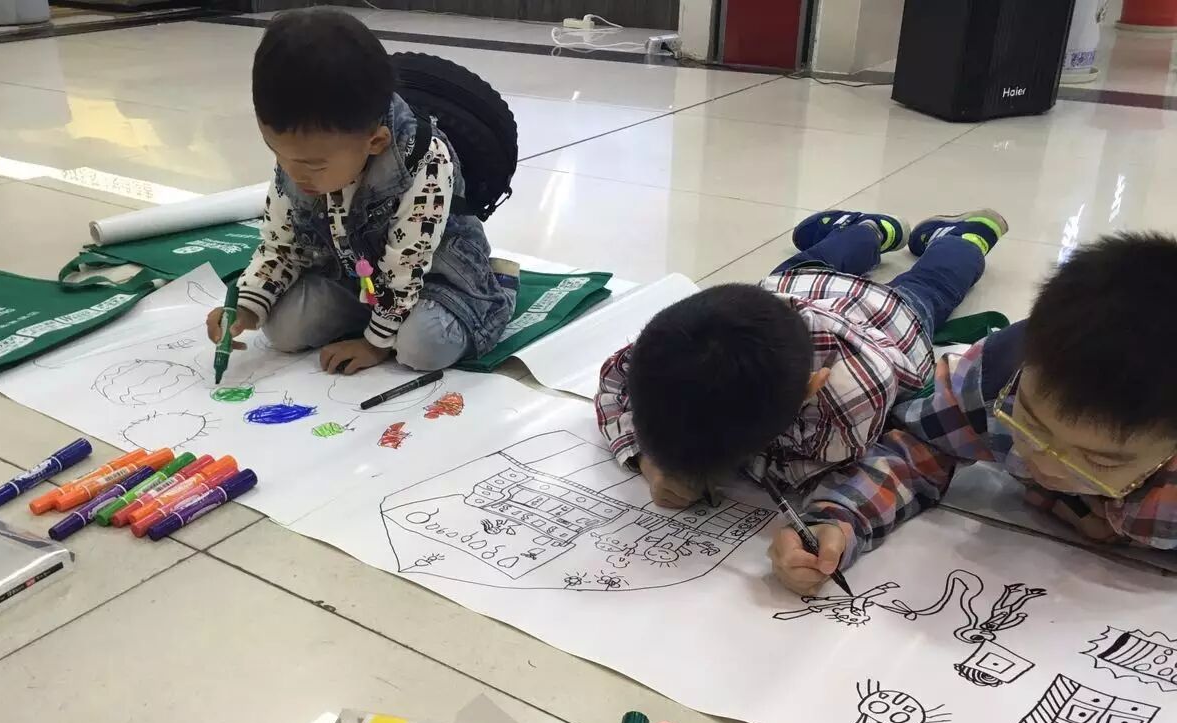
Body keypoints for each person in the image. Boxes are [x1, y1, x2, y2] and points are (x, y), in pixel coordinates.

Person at [770, 232, 1177, 593]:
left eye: (1099, 461)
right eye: (1031, 426)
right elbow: (915, 449)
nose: (1048, 465)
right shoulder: (995, 379)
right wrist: (839, 520)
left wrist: (1130, 528)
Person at [595, 208, 1008, 506]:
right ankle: (868, 229)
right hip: (796, 286)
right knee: (818, 258)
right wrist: (648, 459)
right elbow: (614, 381)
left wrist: (703, 466)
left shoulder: (850, 402)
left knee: (933, 285)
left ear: (813, 389)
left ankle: (963, 238)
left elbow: (805, 473)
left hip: (892, 319)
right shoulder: (676, 344)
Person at [206, 8, 518, 375]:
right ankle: (378, 318)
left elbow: (406, 267)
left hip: (432, 278)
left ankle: (498, 288)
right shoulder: (300, 158)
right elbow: (282, 245)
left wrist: (374, 344)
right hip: (355, 274)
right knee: (282, 329)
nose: (292, 172)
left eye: (313, 165)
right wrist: (246, 306)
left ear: (375, 142)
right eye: (277, 153)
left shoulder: (422, 160)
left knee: (422, 347)